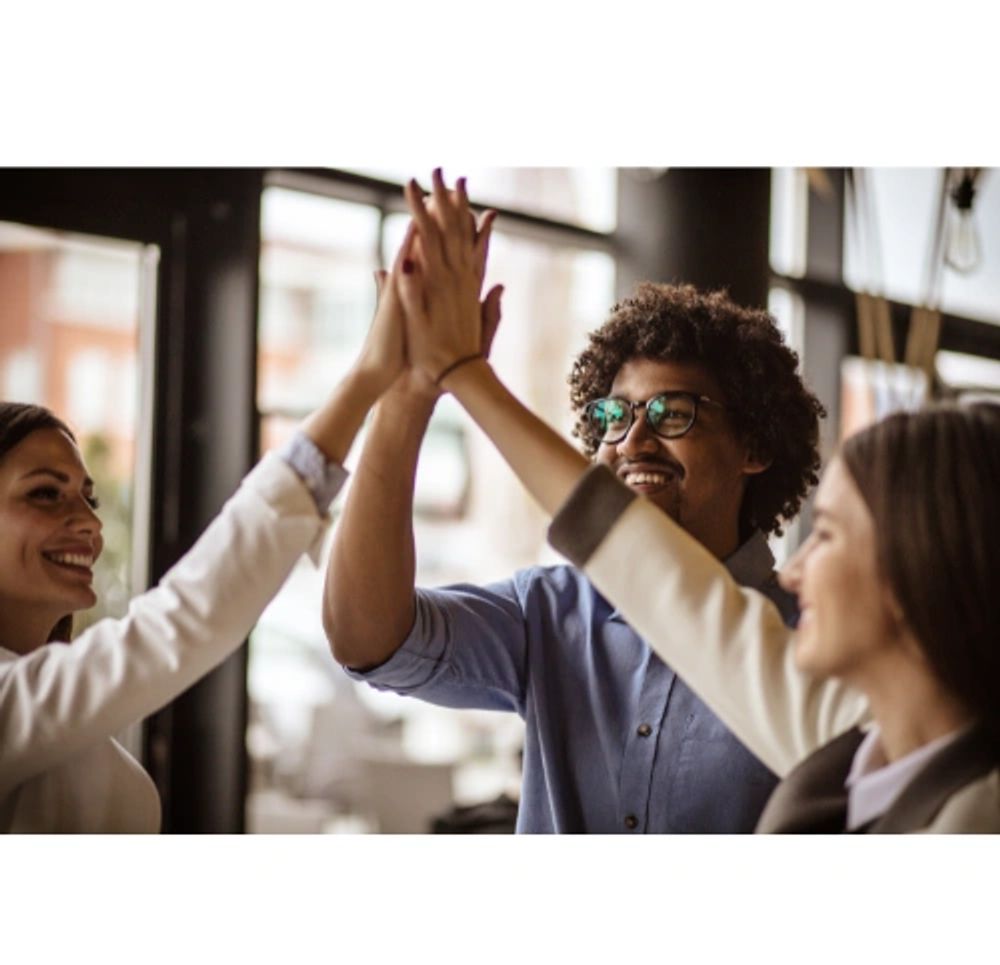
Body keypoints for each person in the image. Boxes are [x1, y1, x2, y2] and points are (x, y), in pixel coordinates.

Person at [394, 171, 1000, 834]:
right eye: (615, 418)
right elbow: (672, 592)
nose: (793, 571)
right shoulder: (849, 733)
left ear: (924, 570)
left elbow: (667, 586)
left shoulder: (968, 812)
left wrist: (461, 372)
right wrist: (447, 378)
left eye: (828, 536)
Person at [323, 169, 826, 833]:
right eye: (614, 414)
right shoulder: (549, 613)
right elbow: (367, 640)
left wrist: (462, 371)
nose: (633, 438)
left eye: (673, 412)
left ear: (754, 446)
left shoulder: (817, 640)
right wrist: (410, 392)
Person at [0, 250, 417, 833]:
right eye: (46, 494)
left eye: (88, 499)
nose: (89, 524)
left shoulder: (65, 717)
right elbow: (182, 622)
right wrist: (369, 378)